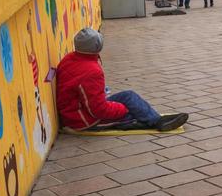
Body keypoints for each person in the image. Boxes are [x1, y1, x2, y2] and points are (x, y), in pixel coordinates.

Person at [56, 28, 189, 131]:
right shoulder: (92, 70)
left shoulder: (69, 58)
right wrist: (123, 109)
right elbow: (98, 110)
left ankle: (156, 120)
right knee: (132, 113)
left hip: (74, 111)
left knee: (129, 96)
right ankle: (156, 122)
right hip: (83, 120)